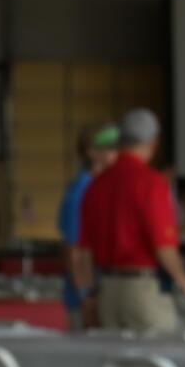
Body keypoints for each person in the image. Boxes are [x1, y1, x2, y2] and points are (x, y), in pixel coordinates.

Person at [78, 106, 185, 332]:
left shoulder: (96, 185)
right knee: (160, 361)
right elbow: (164, 249)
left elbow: (83, 252)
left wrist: (90, 295)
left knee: (115, 365)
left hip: (107, 292)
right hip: (142, 292)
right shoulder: (152, 184)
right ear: (153, 143)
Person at [60, 120, 119, 326]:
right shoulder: (81, 191)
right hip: (86, 300)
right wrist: (86, 296)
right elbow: (75, 249)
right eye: (110, 148)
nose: (117, 153)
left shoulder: (103, 187)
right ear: (91, 152)